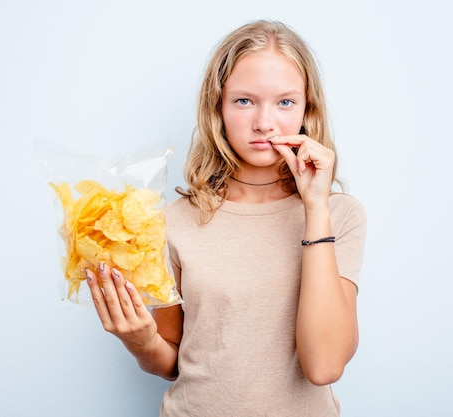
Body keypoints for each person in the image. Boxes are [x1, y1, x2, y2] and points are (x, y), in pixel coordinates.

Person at [84, 19, 366, 416]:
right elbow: (172, 362)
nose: (264, 122)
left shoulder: (340, 214)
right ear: (217, 107)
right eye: (244, 101)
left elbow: (324, 366)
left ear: (307, 109)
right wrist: (141, 341)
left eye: (285, 102)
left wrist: (315, 208)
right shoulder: (173, 221)